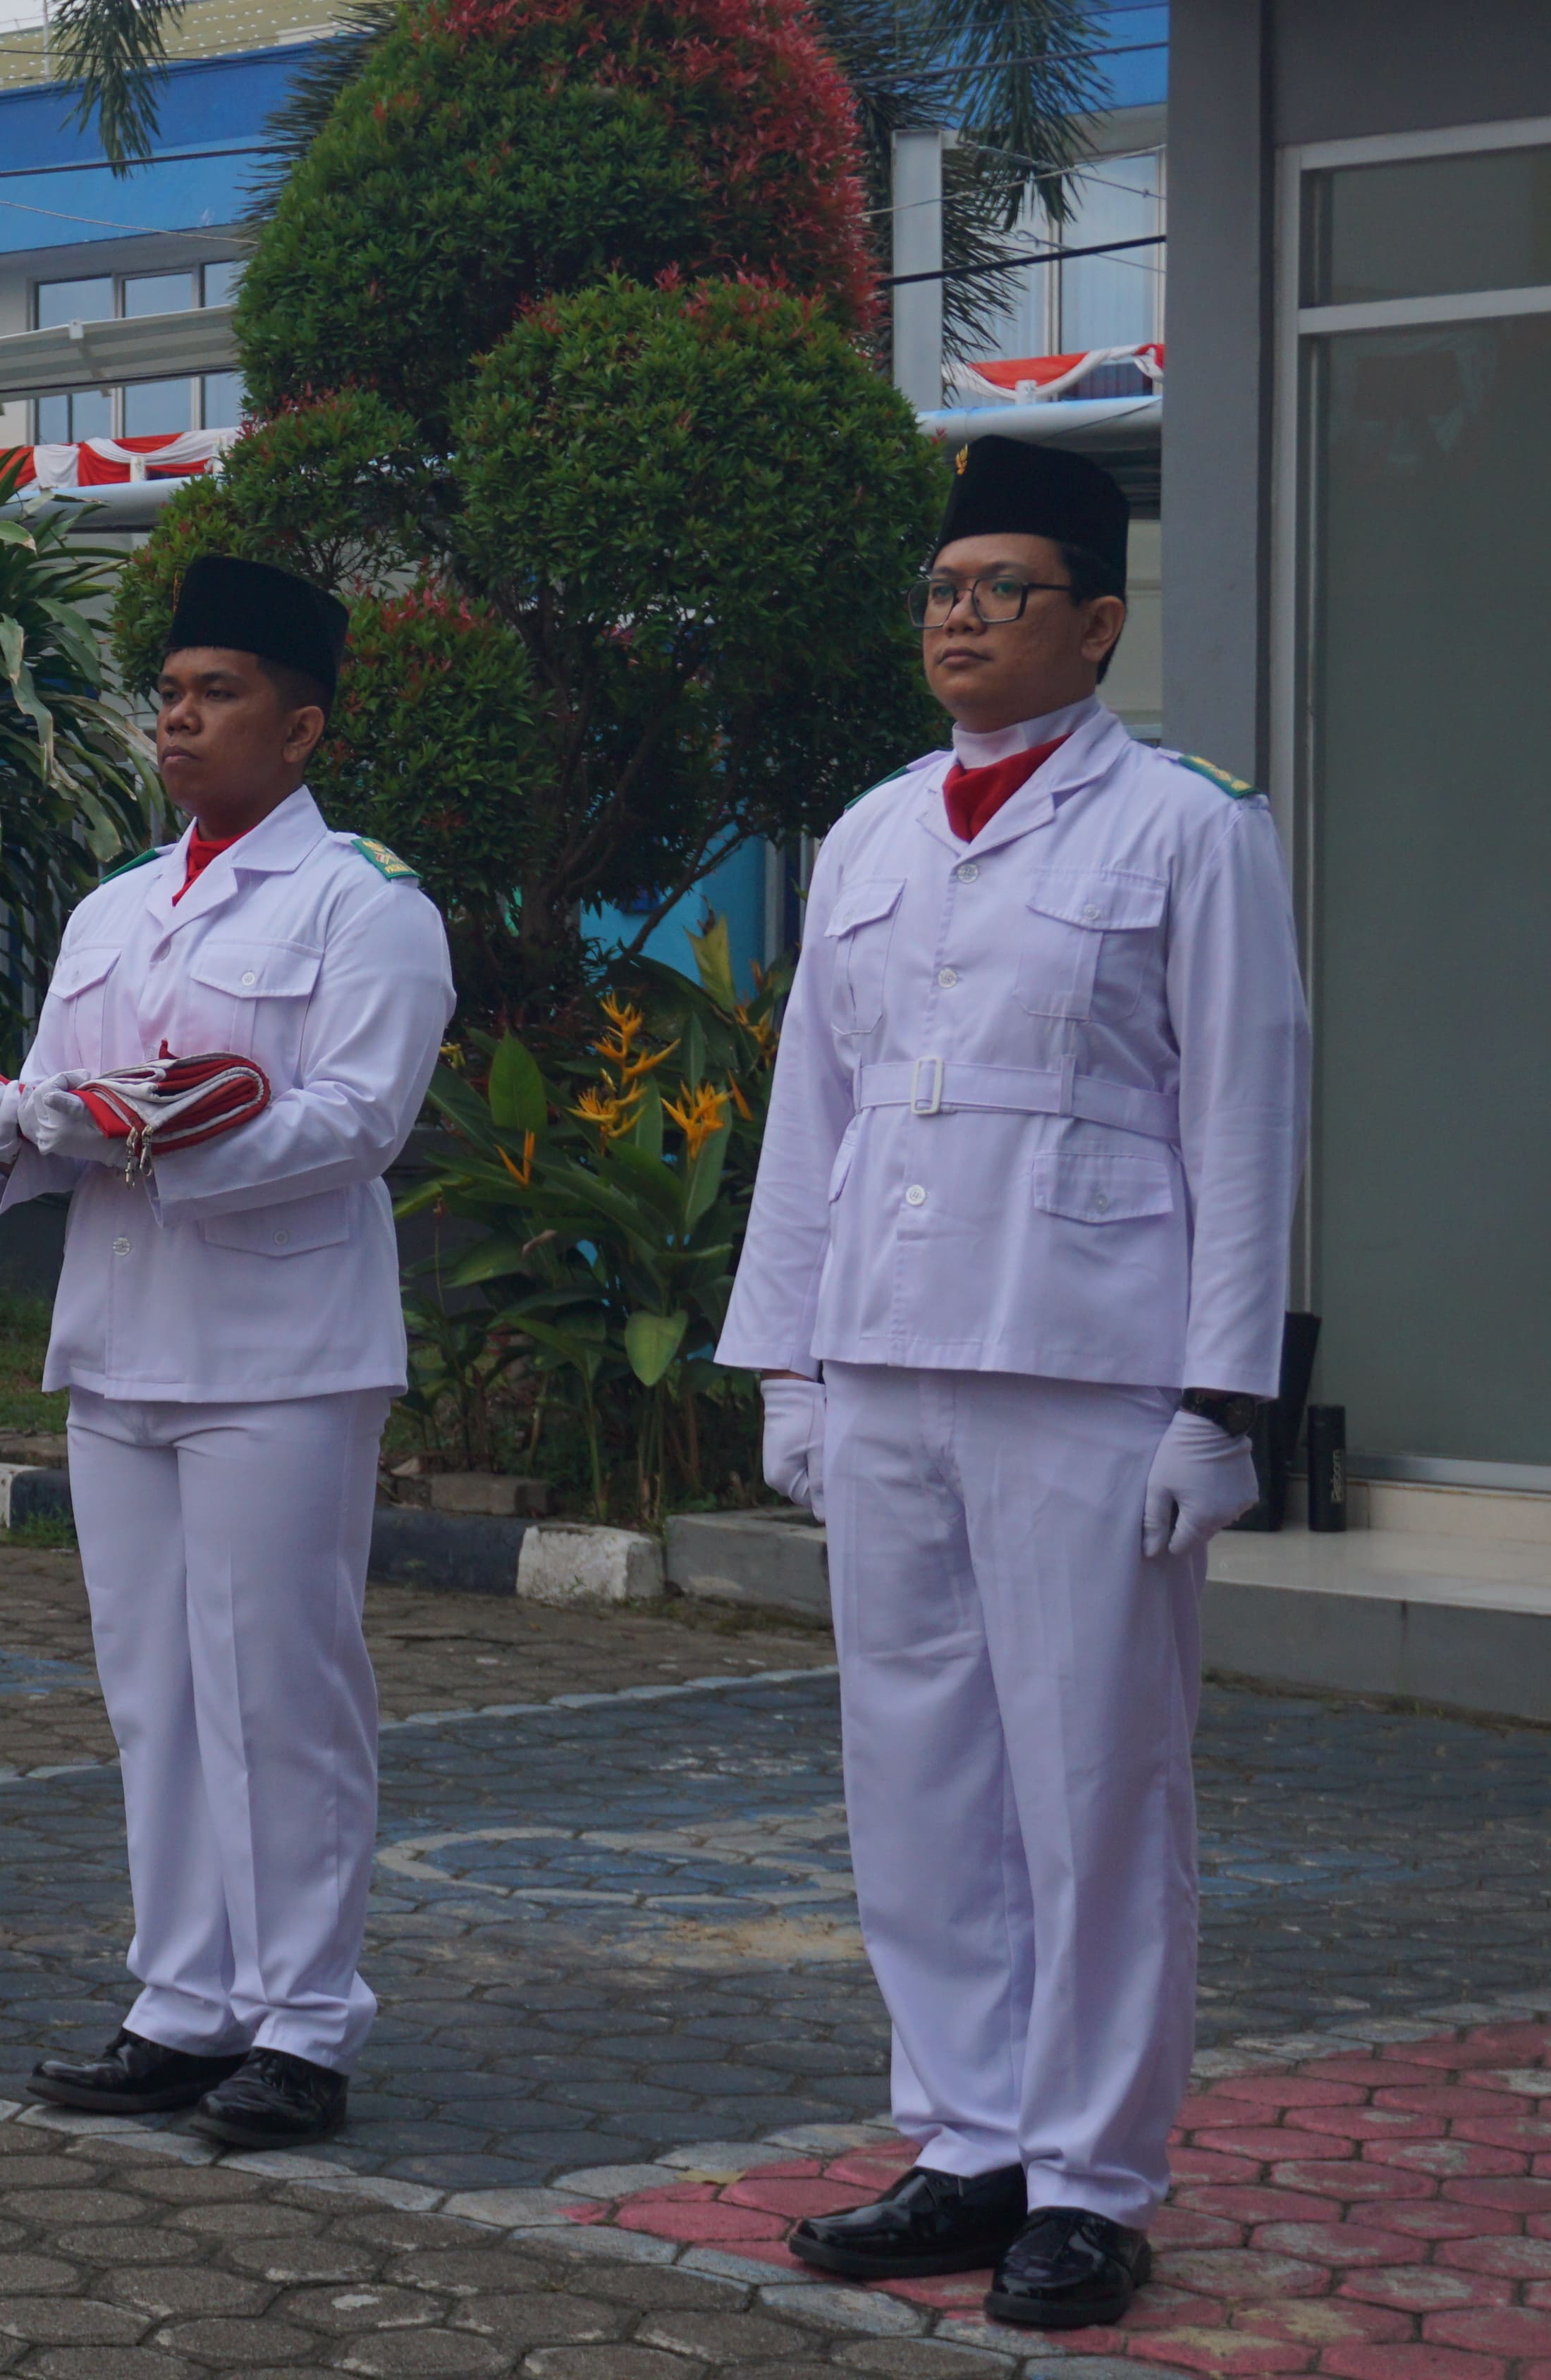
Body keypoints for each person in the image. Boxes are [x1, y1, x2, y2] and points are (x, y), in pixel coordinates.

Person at [723, 436, 1308, 2330]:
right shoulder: (877, 831)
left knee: (1095, 1785)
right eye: (945, 592)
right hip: (890, 1356)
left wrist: (1222, 1404)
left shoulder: (1191, 828)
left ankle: (1092, 2177)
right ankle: (966, 2134)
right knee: (913, 1772)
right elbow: (815, 1111)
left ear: (1099, 625)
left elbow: (1245, 1115)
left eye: (1004, 592)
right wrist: (785, 1365)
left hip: (1086, 1366)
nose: (962, 620)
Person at [0, 554, 451, 2151]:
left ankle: (303, 2022)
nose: (180, 720)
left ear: (301, 725)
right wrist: (5, 1126)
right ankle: (184, 1999)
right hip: (125, 1334)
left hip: (278, 1346)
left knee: (280, 1690)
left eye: (217, 695)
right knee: (156, 1690)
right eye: (171, 693)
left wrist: (146, 1136)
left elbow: (358, 1119)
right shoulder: (116, 902)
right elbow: (60, 1092)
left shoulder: (366, 902)